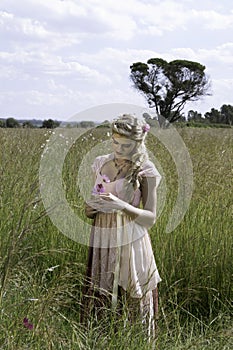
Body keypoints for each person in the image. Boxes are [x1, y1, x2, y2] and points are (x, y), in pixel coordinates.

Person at [82, 114, 161, 338]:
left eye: (126, 145)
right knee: (102, 293)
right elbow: (89, 207)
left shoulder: (146, 170)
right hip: (102, 237)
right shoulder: (100, 163)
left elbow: (150, 218)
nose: (118, 148)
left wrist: (121, 205)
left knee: (130, 294)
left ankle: (134, 341)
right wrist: (91, 208)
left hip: (131, 240)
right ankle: (101, 340)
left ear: (138, 143)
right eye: (115, 142)